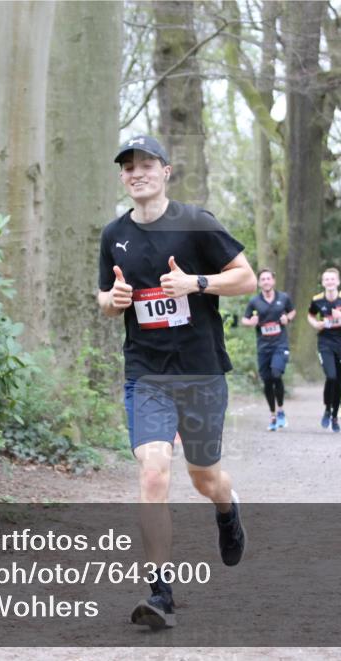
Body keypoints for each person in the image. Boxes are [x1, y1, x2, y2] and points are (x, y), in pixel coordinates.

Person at [98, 135, 256, 630]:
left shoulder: (196, 223)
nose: (137, 173)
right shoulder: (114, 234)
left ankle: (227, 510)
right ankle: (159, 593)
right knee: (153, 472)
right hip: (147, 374)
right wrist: (113, 301)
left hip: (201, 371)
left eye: (147, 164)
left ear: (165, 171)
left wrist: (197, 283)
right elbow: (104, 297)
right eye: (129, 167)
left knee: (205, 478)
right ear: (122, 178)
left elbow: (247, 278)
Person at [307, 268, 341, 433]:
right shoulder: (317, 300)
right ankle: (327, 409)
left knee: (338, 381)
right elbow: (310, 315)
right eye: (326, 279)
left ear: (338, 282)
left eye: (332, 279)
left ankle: (335, 416)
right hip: (325, 343)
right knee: (330, 376)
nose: (330, 282)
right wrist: (316, 324)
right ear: (323, 282)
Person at [241, 269, 296, 431]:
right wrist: (251, 322)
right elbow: (244, 319)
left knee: (276, 374)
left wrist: (288, 318)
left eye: (268, 278)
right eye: (263, 279)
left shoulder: (283, 298)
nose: (266, 281)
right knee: (267, 381)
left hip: (280, 344)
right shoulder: (254, 301)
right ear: (259, 283)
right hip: (263, 347)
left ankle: (281, 411)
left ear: (273, 281)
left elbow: (292, 311)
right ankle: (273, 415)